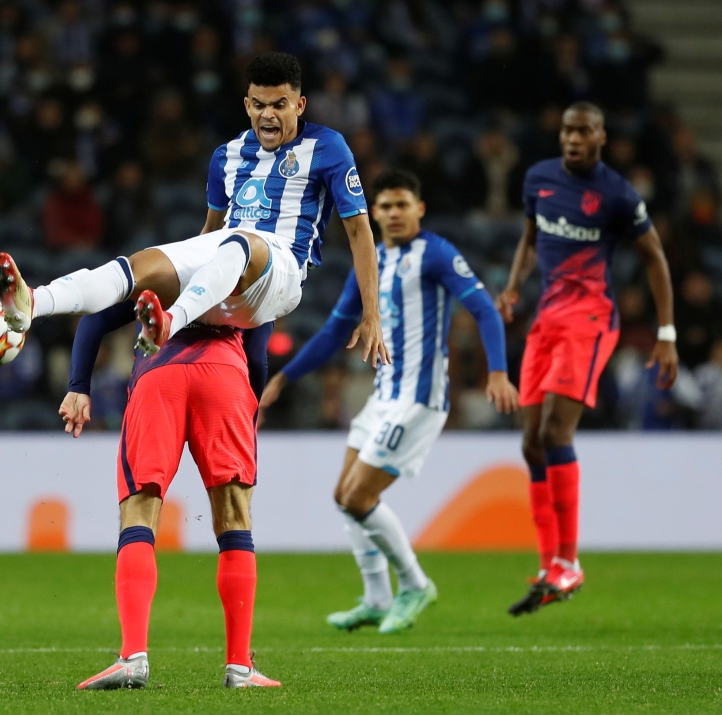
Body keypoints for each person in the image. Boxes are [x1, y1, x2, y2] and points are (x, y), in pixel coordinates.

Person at [0, 52, 388, 369]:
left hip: (280, 275)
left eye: (280, 105)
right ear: (247, 104)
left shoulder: (328, 147)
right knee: (141, 264)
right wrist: (173, 273)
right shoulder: (226, 156)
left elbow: (359, 232)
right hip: (224, 272)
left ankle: (168, 322)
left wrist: (371, 313)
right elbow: (209, 233)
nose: (269, 114)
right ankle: (34, 304)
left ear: (299, 105)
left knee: (240, 242)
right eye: (260, 104)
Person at [260, 170, 518, 634]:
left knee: (359, 496)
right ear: (372, 212)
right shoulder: (372, 260)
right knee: (344, 497)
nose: (394, 214)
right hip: (384, 396)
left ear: (419, 209)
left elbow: (482, 308)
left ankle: (415, 584)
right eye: (385, 206)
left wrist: (498, 371)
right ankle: (378, 597)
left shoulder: (436, 254)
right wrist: (284, 377)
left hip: (418, 398)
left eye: (403, 205)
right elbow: (335, 330)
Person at [496, 102, 679, 615]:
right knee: (531, 443)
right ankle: (551, 561)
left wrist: (666, 332)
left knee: (557, 432)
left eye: (583, 132)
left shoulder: (618, 194)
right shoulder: (538, 179)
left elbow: (655, 258)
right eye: (567, 132)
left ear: (601, 136)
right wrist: (513, 286)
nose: (573, 140)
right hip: (547, 320)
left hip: (591, 319)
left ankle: (571, 561)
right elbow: (530, 239)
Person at [59, 300, 279, 690]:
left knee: (140, 513)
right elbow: (258, 359)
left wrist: (79, 386)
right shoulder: (251, 273)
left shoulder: (164, 264)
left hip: (159, 373)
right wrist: (248, 404)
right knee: (234, 518)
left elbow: (95, 318)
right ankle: (240, 668)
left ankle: (133, 657)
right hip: (225, 375)